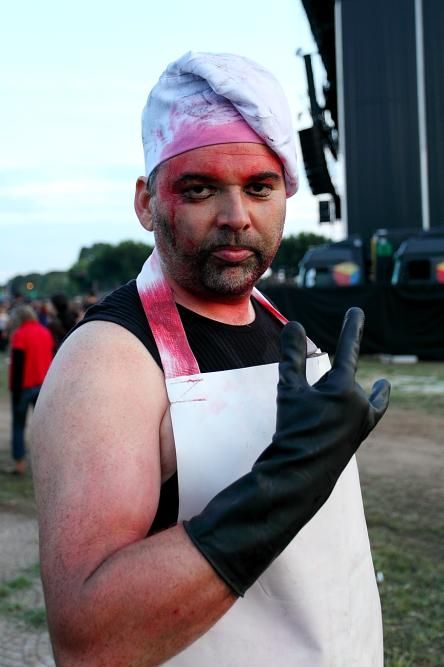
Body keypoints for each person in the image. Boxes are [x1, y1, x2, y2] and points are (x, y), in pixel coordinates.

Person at [31, 52, 390, 666]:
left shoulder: (285, 331)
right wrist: (288, 484)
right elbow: (90, 640)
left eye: (259, 188)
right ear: (146, 203)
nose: (236, 218)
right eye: (199, 190)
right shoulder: (109, 362)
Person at [8, 305, 54, 475]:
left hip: (24, 387)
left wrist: (15, 390)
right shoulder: (45, 332)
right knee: (43, 427)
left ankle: (19, 463)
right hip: (43, 385)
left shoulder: (19, 334)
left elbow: (18, 364)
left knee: (18, 425)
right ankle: (46, 464)